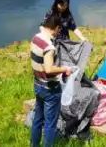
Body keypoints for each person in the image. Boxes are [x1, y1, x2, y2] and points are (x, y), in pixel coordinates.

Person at [30, 10, 72, 147]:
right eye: (59, 29)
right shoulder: (49, 46)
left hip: (37, 84)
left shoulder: (36, 38)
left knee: (37, 119)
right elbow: (49, 69)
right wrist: (64, 69)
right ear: (56, 27)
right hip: (50, 89)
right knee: (50, 124)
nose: (59, 32)